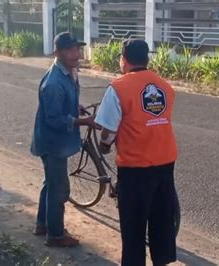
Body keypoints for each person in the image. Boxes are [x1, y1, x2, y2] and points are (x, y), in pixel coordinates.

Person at [94, 39, 179, 266]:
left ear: (124, 60)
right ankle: (162, 261)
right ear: (147, 59)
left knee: (133, 225)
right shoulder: (164, 86)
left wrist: (104, 145)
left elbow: (109, 130)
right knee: (162, 218)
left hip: (136, 166)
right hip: (165, 161)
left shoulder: (119, 87)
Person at [30, 32, 98, 247]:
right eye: (69, 50)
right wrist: (84, 121)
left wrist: (75, 108)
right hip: (52, 142)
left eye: (76, 49)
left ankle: (43, 224)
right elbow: (54, 119)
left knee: (50, 184)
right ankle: (56, 235)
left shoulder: (69, 72)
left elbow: (63, 105)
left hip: (54, 142)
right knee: (59, 189)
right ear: (57, 53)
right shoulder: (54, 82)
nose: (75, 53)